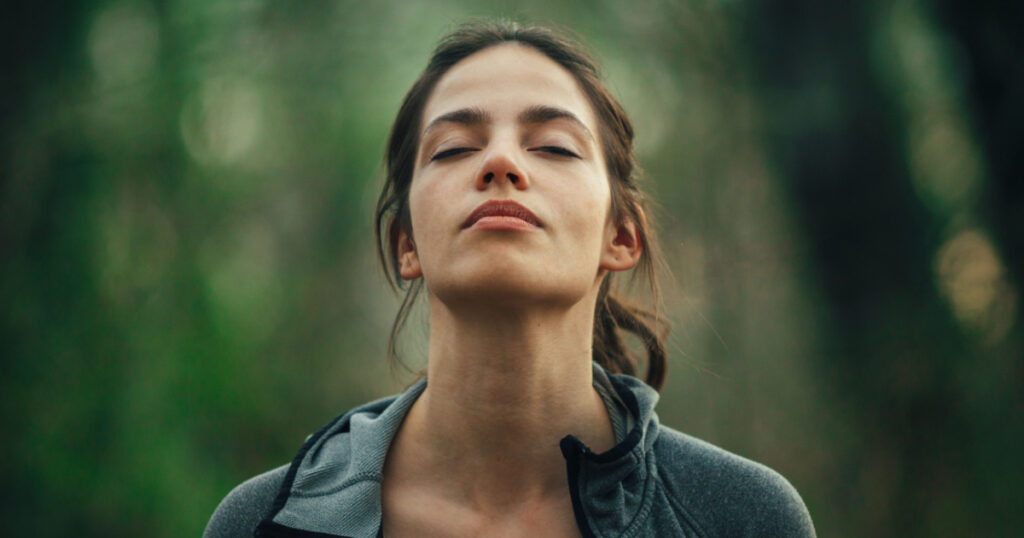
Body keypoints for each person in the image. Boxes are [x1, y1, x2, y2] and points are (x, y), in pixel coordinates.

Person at [204, 20, 816, 538]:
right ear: (406, 244)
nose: (500, 162)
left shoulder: (744, 516)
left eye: (552, 146)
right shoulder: (262, 521)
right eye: (451, 149)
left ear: (621, 236)